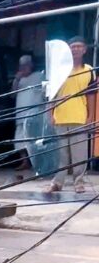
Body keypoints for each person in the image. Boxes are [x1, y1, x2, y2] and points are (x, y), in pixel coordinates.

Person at [49, 36, 95, 194]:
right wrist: (51, 113)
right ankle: (57, 182)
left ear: (84, 50)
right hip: (60, 116)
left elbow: (91, 95)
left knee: (79, 154)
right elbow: (52, 94)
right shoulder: (59, 70)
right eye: (72, 47)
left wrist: (90, 117)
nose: (75, 49)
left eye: (78, 46)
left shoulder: (89, 70)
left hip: (79, 117)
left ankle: (78, 182)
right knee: (60, 153)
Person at [12, 54, 44, 173]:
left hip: (35, 115)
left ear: (31, 65)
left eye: (26, 65)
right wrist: (16, 79)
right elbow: (12, 94)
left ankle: (37, 163)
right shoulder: (19, 80)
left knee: (35, 140)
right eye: (21, 66)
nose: (23, 68)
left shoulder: (39, 76)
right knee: (20, 141)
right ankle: (25, 162)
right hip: (20, 115)